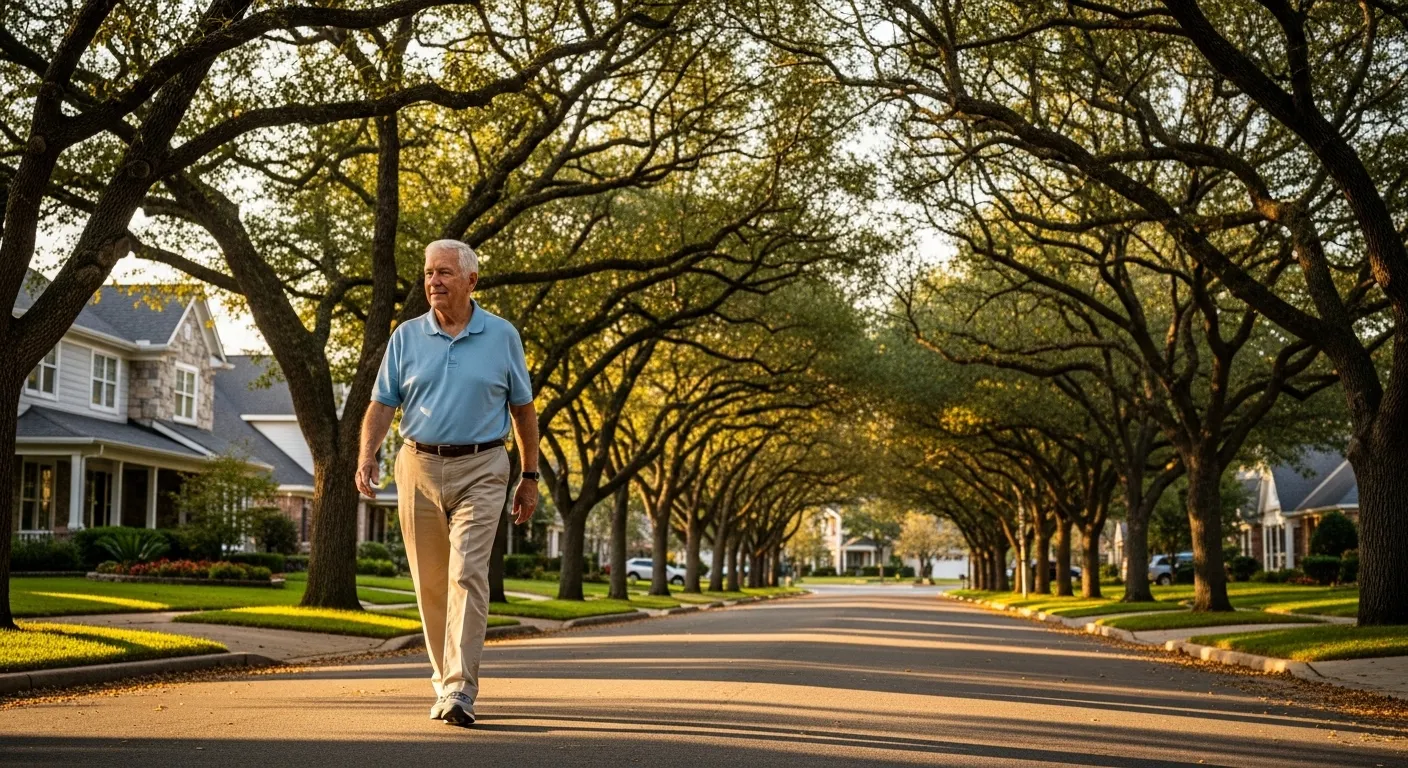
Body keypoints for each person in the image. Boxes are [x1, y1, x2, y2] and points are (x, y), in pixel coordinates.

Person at [356, 239, 539, 728]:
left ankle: (461, 688)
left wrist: (529, 476)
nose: (433, 282)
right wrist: (367, 454)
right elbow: (382, 403)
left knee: (466, 574)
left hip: (483, 466)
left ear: (471, 280)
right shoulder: (405, 337)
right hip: (417, 466)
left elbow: (523, 408)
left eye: (444, 273)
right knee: (431, 584)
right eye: (428, 274)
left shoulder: (502, 336)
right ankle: (443, 683)